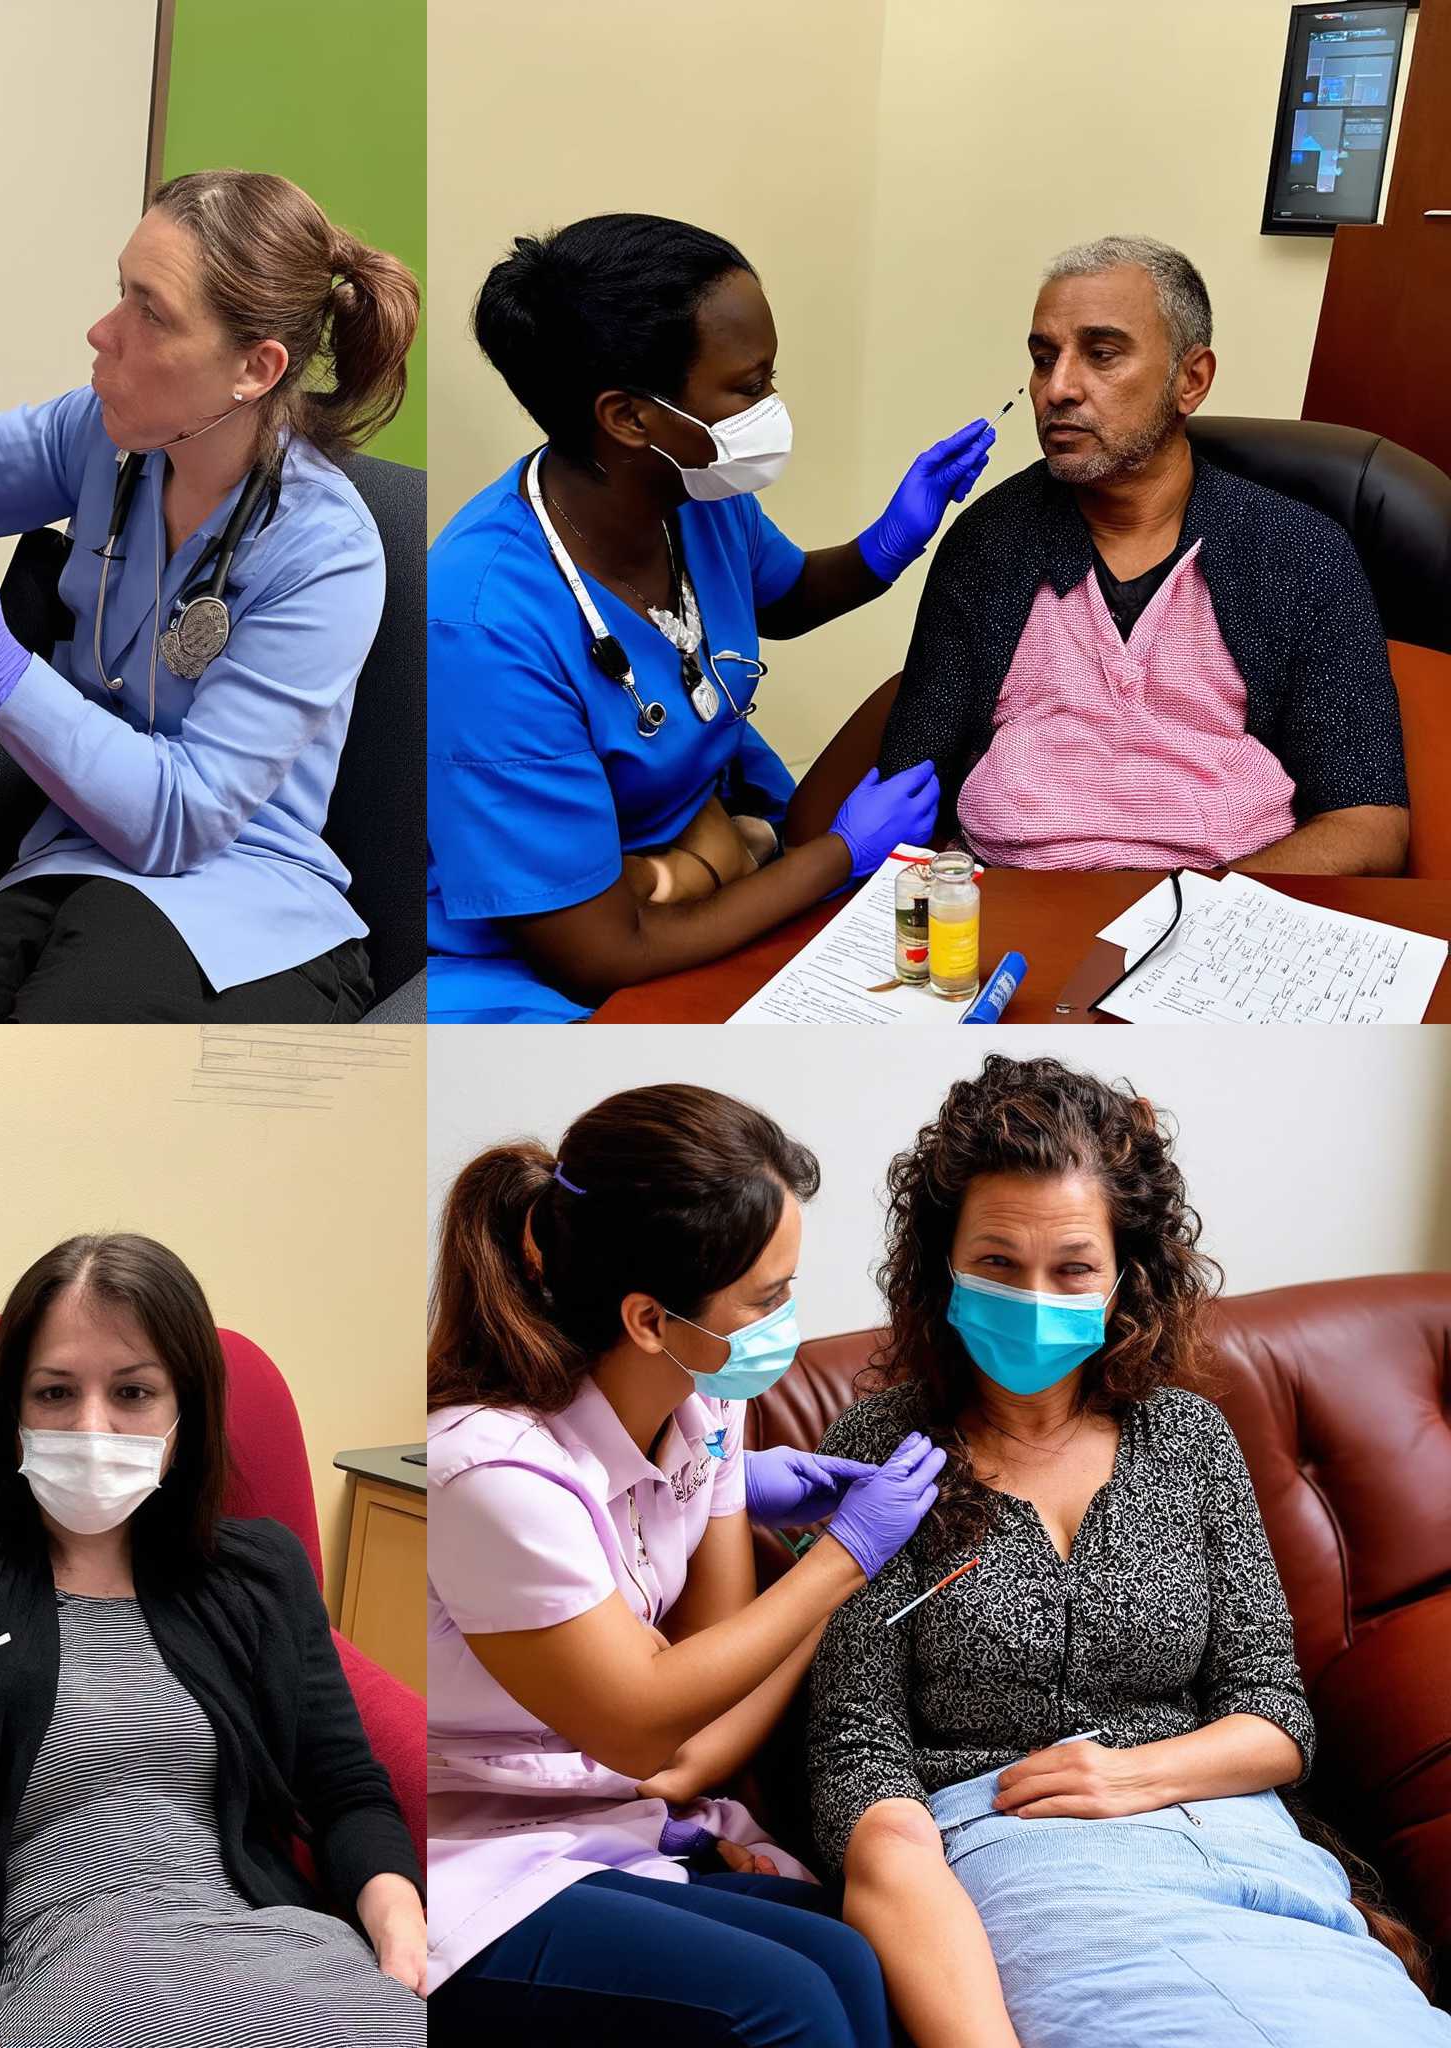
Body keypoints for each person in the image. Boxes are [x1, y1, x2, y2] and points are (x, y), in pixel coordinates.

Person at [806, 1054, 1446, 2048]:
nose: (1031, 1294)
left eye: (1070, 1267)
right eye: (994, 1262)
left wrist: (1134, 1776)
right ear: (941, 1266)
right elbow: (855, 1754)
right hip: (1013, 1854)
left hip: (1234, 1844)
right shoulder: (881, 1452)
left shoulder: (1186, 1437)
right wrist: (900, 1862)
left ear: (1120, 1275)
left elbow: (1273, 1711)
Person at [0, 170, 421, 1024]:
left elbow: (185, 818)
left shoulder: (325, 550)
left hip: (236, 898)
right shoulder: (113, 436)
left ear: (254, 367)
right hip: (67, 861)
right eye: (119, 292)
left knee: (23, 1102)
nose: (101, 331)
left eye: (149, 311)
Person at [426, 1083, 947, 2044]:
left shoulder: (703, 1405)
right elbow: (646, 1727)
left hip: (609, 1825)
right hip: (469, 1859)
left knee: (850, 1956)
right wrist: (843, 1560)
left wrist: (734, 1490)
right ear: (649, 1320)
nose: (786, 1317)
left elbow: (711, 1668)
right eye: (767, 1296)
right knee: (789, 2006)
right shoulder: (489, 1474)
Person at [0, 1232, 426, 2047]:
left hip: (287, 1955)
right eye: (54, 1394)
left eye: (133, 1393)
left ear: (185, 1411)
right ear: (11, 1408)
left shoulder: (260, 1572)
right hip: (73, 1971)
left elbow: (345, 1788)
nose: (93, 1427)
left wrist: (400, 1937)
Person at [426, 213, 992, 1022]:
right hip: (540, 946)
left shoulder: (686, 494)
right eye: (747, 386)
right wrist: (838, 853)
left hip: (686, 847)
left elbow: (786, 598)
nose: (771, 405)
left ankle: (715, 856)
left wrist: (892, 539)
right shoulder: (486, 624)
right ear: (629, 418)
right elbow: (598, 957)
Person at [875, 235, 1409, 875]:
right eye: (1044, 359)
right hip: (1013, 906)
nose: (1058, 389)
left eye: (1101, 355)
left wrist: (1198, 915)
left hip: (1229, 913)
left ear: (1191, 379)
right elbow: (910, 785)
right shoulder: (989, 543)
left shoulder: (1297, 553)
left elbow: (1369, 825)